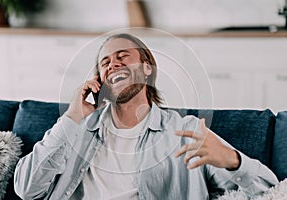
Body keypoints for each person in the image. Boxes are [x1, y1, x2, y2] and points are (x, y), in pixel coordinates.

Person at [14, 33, 278, 200]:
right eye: (105, 63)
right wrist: (72, 116)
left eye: (122, 57)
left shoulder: (185, 133)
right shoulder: (74, 130)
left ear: (147, 69)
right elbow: (26, 190)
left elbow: (270, 190)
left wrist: (232, 161)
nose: (113, 64)